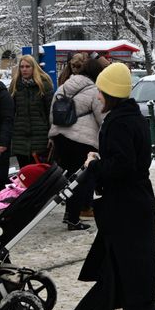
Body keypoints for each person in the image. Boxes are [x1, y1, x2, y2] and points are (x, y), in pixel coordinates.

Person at [66, 62, 155, 310]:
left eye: (102, 91)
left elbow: (121, 167)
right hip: (134, 202)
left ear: (108, 93)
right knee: (116, 267)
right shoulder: (133, 118)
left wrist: (95, 165)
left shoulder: (117, 123)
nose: (99, 96)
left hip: (124, 206)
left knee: (131, 273)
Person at [49, 56, 106, 230]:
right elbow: (102, 116)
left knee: (70, 178)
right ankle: (73, 218)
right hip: (82, 140)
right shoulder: (94, 90)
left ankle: (69, 214)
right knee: (81, 179)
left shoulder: (63, 87)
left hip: (60, 136)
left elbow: (52, 112)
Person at [10, 54, 53, 168]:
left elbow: (50, 111)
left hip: (40, 137)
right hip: (20, 137)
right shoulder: (15, 85)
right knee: (24, 174)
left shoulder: (44, 85)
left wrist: (51, 135)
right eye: (22, 66)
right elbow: (11, 112)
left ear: (34, 67)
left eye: (27, 66)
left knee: (39, 175)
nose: (24, 69)